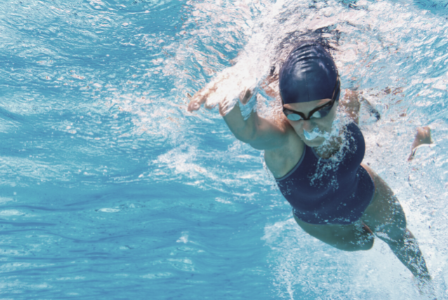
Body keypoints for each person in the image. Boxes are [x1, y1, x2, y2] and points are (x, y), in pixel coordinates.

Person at [188, 40, 433, 290]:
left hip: (364, 191)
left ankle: (430, 292)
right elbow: (249, 130)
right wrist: (235, 90)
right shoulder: (285, 140)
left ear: (336, 99)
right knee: (364, 241)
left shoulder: (347, 102)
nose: (308, 127)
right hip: (319, 220)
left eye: (319, 113)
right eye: (294, 114)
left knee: (399, 238)